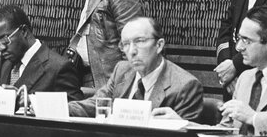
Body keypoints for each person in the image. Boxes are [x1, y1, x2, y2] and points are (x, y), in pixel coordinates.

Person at [157, 6, 267, 135]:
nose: (239, 47)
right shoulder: (245, 78)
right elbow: (226, 131)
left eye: (247, 40)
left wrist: (253, 117)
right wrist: (181, 124)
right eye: (239, 38)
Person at [69, 17, 204, 121]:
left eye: (139, 41)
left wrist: (176, 124)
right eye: (126, 44)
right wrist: (56, 108)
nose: (132, 51)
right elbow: (97, 105)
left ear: (159, 45)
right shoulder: (122, 70)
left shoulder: (185, 86)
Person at [0, 5, 83, 100]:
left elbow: (74, 109)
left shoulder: (59, 67)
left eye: (5, 40)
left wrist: (32, 102)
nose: (1, 48)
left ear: (24, 31)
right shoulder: (6, 65)